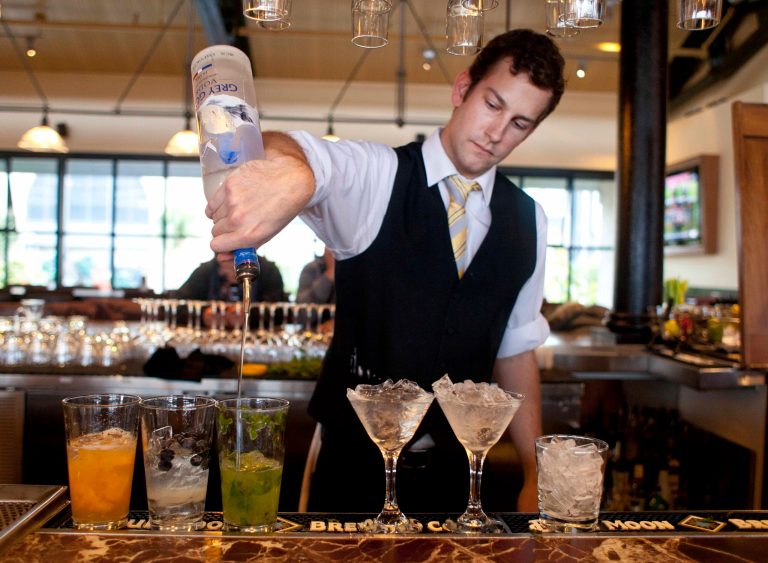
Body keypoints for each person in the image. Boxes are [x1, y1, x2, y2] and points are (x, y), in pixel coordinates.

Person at [206, 29, 565, 513]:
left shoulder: (529, 220)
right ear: (462, 90)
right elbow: (301, 151)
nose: (498, 132)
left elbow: (517, 347)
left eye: (520, 122)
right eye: (492, 104)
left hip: (458, 475)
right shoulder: (379, 175)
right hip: (351, 467)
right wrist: (294, 175)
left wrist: (533, 470)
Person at [176, 252, 286, 303]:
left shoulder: (268, 270)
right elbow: (179, 305)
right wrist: (205, 315)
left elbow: (280, 312)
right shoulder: (204, 271)